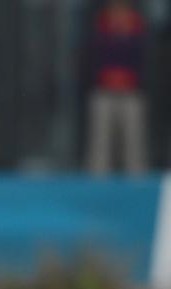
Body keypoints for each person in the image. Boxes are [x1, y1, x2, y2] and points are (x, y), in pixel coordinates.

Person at [85, 0, 147, 175]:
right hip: (103, 89)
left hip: (132, 90)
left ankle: (138, 187)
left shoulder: (137, 24)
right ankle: (97, 186)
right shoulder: (100, 23)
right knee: (100, 143)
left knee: (134, 143)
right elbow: (93, 55)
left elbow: (141, 56)